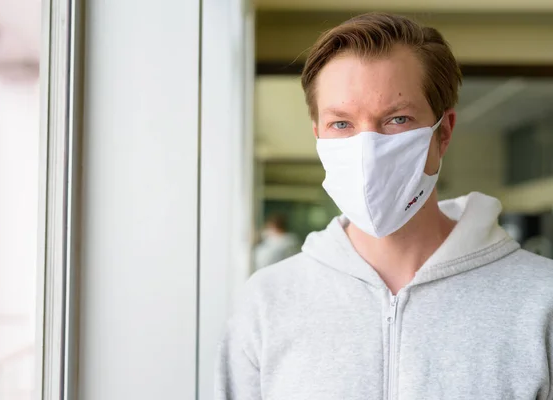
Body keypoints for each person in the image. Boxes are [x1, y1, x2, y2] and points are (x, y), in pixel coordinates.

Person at [215, 13, 553, 399]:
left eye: (397, 119)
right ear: (318, 136)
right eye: (341, 124)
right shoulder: (267, 301)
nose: (367, 150)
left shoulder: (541, 300)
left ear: (443, 132)